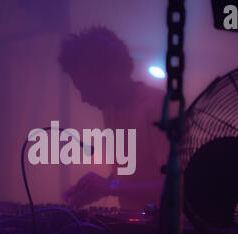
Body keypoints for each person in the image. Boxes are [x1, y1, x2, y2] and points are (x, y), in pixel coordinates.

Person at [58, 26, 169, 211]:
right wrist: (99, 188)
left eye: (86, 88)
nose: (84, 99)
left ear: (111, 75)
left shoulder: (159, 107)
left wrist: (109, 187)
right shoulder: (110, 110)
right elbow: (133, 176)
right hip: (136, 231)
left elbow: (176, 186)